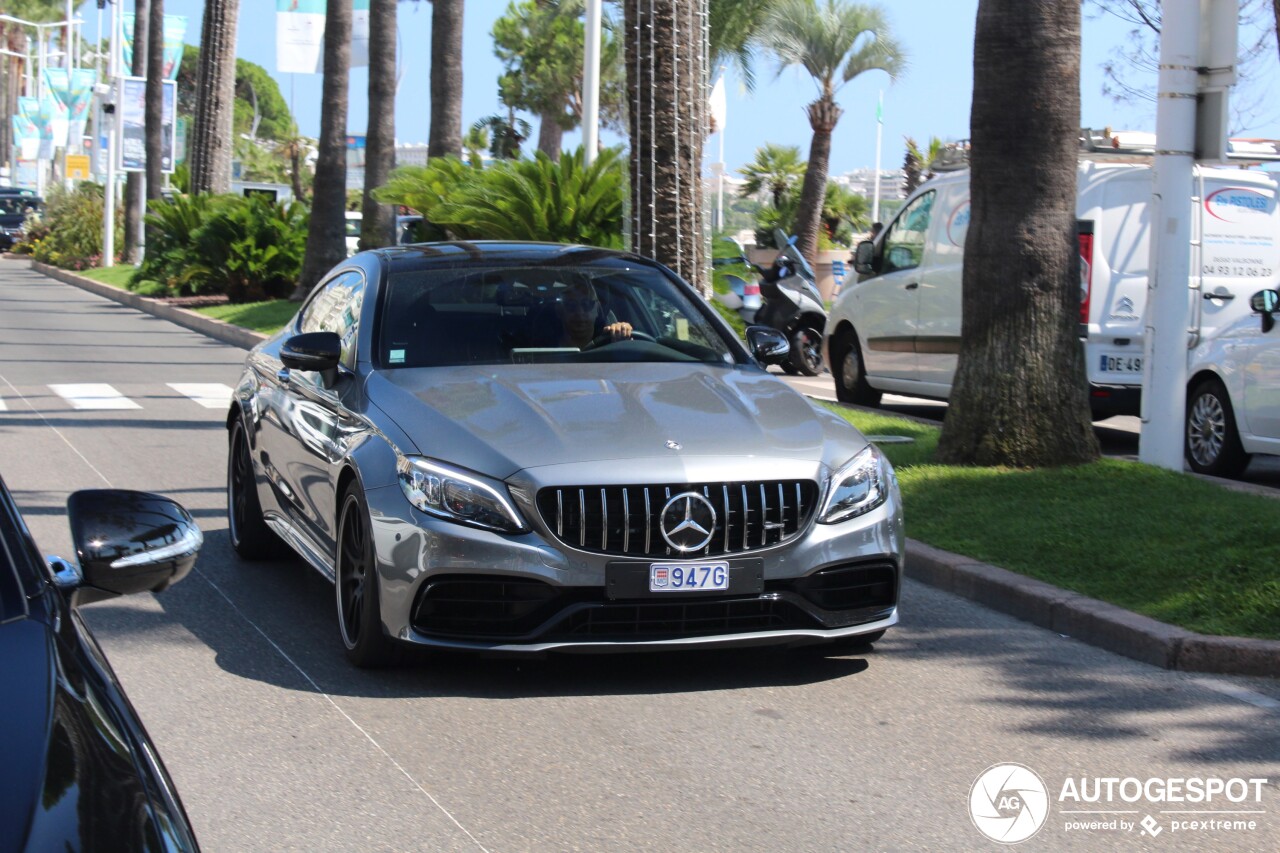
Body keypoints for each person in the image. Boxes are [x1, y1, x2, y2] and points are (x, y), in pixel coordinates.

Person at [554, 279, 632, 348]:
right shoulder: (544, 350)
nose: (580, 312)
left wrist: (623, 334)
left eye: (587, 304)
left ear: (597, 309)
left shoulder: (611, 344)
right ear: (559, 311)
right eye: (571, 305)